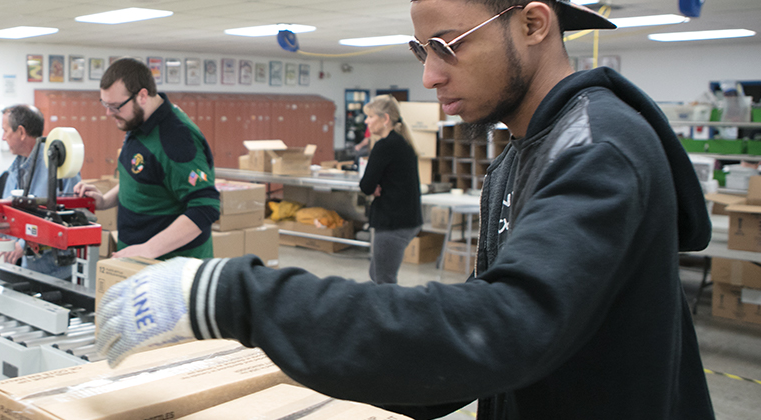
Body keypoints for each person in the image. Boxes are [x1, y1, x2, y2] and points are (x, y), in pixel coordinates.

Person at [95, 1, 714, 419]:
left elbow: (501, 329)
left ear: (533, 24)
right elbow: (473, 340)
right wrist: (332, 360)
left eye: (447, 46)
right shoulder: (520, 152)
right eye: (422, 50)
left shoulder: (597, 149)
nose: (430, 77)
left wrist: (234, 294)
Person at [73, 58, 219, 260]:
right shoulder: (138, 123)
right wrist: (105, 201)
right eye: (105, 104)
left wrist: (150, 249)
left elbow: (206, 207)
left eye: (115, 106)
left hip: (171, 270)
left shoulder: (176, 139)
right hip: (139, 263)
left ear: (142, 96)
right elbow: (145, 177)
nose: (108, 113)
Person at [0, 104, 81, 279]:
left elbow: (68, 219)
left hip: (55, 272)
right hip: (25, 268)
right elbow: (8, 212)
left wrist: (24, 243)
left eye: (6, 131)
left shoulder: (58, 165)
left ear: (21, 132)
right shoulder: (16, 169)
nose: (3, 137)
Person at [358, 95, 422, 284]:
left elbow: (366, 186)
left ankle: (391, 313)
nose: (366, 121)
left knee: (384, 280)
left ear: (385, 119)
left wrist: (375, 186)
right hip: (406, 219)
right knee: (376, 275)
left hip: (394, 222)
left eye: (370, 116)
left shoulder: (384, 146)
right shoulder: (403, 143)